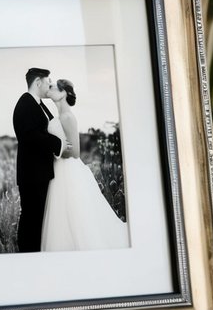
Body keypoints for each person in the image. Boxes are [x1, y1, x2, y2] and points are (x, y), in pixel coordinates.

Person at [41, 78, 129, 252]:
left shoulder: (67, 117)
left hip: (68, 171)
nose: (49, 89)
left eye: (52, 87)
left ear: (63, 93)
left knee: (75, 213)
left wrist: (52, 149)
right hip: (59, 170)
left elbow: (75, 153)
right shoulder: (59, 116)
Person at [12, 66, 63, 252]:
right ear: (38, 82)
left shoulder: (38, 104)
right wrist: (59, 144)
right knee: (31, 220)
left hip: (39, 173)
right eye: (48, 83)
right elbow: (31, 135)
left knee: (38, 219)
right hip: (32, 175)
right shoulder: (25, 104)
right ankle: (27, 255)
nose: (49, 86)